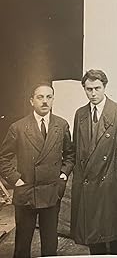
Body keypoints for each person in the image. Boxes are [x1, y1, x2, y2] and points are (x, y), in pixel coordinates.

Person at [0, 83, 75, 258]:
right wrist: (16, 180)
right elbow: (3, 158)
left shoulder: (61, 125)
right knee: (22, 245)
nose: (45, 101)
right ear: (31, 101)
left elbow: (70, 154)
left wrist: (62, 176)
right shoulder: (18, 128)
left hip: (51, 192)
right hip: (26, 192)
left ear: (53, 100)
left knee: (50, 245)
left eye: (49, 97)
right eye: (40, 97)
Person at [70, 69, 117, 255]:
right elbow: (76, 149)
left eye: (97, 88)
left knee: (114, 236)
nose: (93, 93)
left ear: (105, 87)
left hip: (111, 185)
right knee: (93, 237)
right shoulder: (80, 114)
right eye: (89, 89)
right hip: (87, 185)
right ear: (84, 89)